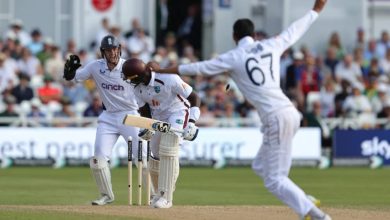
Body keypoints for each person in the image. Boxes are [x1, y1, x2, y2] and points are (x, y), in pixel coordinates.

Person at [151, 0, 331, 219]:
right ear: (254, 35)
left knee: (275, 180)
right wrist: (316, 10)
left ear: (234, 36)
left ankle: (317, 214)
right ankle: (303, 198)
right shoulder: (270, 44)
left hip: (276, 117)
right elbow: (295, 30)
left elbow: (198, 68)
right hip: (291, 113)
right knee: (259, 166)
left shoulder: (233, 57)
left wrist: (163, 70)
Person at [63, 35, 145, 206]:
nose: (112, 52)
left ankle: (154, 195)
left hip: (130, 114)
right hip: (108, 117)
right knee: (98, 160)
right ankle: (106, 195)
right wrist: (69, 74)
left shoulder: (129, 67)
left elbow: (146, 85)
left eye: (115, 49)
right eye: (108, 50)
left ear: (119, 49)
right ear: (103, 52)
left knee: (142, 159)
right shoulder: (95, 66)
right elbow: (75, 77)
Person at [121, 58, 200, 208]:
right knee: (155, 156)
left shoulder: (169, 79)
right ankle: (159, 193)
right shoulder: (137, 88)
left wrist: (192, 122)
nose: (129, 82)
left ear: (139, 75)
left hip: (177, 112)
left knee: (169, 149)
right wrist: (148, 127)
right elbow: (145, 111)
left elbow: (194, 97)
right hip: (158, 118)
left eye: (130, 78)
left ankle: (166, 197)